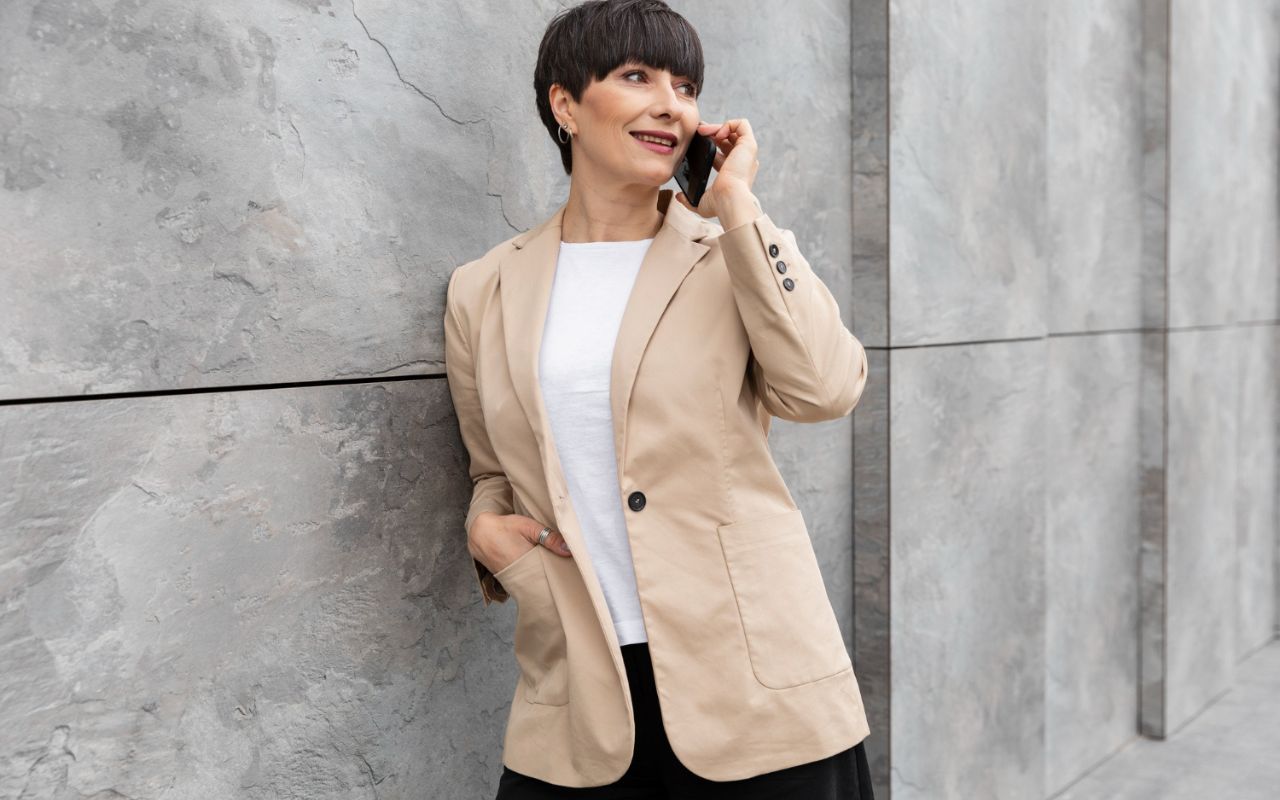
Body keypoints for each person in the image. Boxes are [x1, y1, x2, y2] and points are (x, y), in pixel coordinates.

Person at [443, 1, 875, 796]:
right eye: (636, 77)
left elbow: (826, 388)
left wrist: (737, 206)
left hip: (753, 688)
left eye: (685, 85)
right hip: (576, 690)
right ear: (564, 104)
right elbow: (490, 466)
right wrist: (485, 530)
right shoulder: (484, 289)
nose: (670, 104)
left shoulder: (730, 254)